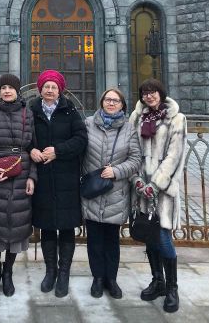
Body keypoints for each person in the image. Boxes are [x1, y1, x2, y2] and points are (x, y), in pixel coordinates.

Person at [129, 79, 187, 313]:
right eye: (145, 93)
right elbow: (132, 150)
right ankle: (158, 281)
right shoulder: (137, 118)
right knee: (150, 237)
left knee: (163, 238)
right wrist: (138, 180)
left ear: (161, 94)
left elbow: (175, 155)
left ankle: (172, 288)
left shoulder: (176, 119)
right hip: (142, 189)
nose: (149, 96)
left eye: (153, 92)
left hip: (162, 190)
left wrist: (156, 183)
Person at [30, 70, 87, 298]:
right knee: (46, 228)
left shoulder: (70, 111)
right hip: (42, 178)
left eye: (54, 87)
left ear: (60, 90)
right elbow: (24, 137)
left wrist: (58, 151)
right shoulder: (31, 111)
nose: (50, 90)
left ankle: (64, 274)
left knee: (66, 228)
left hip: (66, 179)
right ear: (40, 89)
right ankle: (50, 271)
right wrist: (31, 150)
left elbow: (81, 139)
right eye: (46, 86)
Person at [0, 74, 36, 297]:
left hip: (22, 173)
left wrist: (32, 177)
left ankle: (8, 272)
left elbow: (33, 147)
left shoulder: (27, 114)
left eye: (10, 87)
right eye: (3, 87)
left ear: (17, 91)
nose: (6, 91)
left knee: (17, 224)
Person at [82, 88, 141, 299]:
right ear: (101, 102)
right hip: (93, 191)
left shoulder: (129, 129)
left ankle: (111, 279)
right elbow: (78, 150)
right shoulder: (88, 124)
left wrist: (116, 171)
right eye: (107, 99)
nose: (111, 103)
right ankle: (97, 278)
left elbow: (135, 159)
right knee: (94, 240)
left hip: (116, 193)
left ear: (122, 105)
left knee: (112, 241)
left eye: (115, 100)